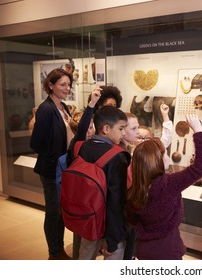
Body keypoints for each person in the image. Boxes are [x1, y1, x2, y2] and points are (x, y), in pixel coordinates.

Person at [127, 114, 202, 260]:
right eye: (164, 154)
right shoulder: (168, 184)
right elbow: (201, 166)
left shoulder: (134, 190)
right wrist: (198, 130)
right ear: (157, 160)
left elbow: (132, 219)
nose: (167, 156)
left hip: (144, 249)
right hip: (168, 250)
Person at [30, 68, 74, 260]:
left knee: (61, 211)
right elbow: (36, 143)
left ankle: (60, 249)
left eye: (69, 85)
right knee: (53, 212)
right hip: (51, 169)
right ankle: (54, 252)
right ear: (51, 85)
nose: (67, 88)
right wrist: (54, 157)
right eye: (62, 84)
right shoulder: (46, 109)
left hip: (63, 168)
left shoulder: (64, 107)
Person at [77, 106, 130, 260]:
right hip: (108, 224)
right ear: (106, 129)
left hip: (87, 220)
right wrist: (113, 240)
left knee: (85, 257)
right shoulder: (117, 157)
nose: (124, 133)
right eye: (121, 128)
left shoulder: (82, 148)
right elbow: (116, 202)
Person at [121, 103, 173, 260]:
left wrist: (165, 116)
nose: (141, 138)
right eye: (136, 133)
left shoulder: (151, 151)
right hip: (135, 207)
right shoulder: (128, 155)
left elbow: (166, 137)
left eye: (145, 137)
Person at [55, 87, 102, 259]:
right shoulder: (78, 143)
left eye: (92, 127)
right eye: (88, 127)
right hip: (79, 196)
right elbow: (83, 129)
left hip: (84, 196)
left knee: (82, 234)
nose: (90, 130)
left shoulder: (91, 143)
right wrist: (92, 104)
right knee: (81, 236)